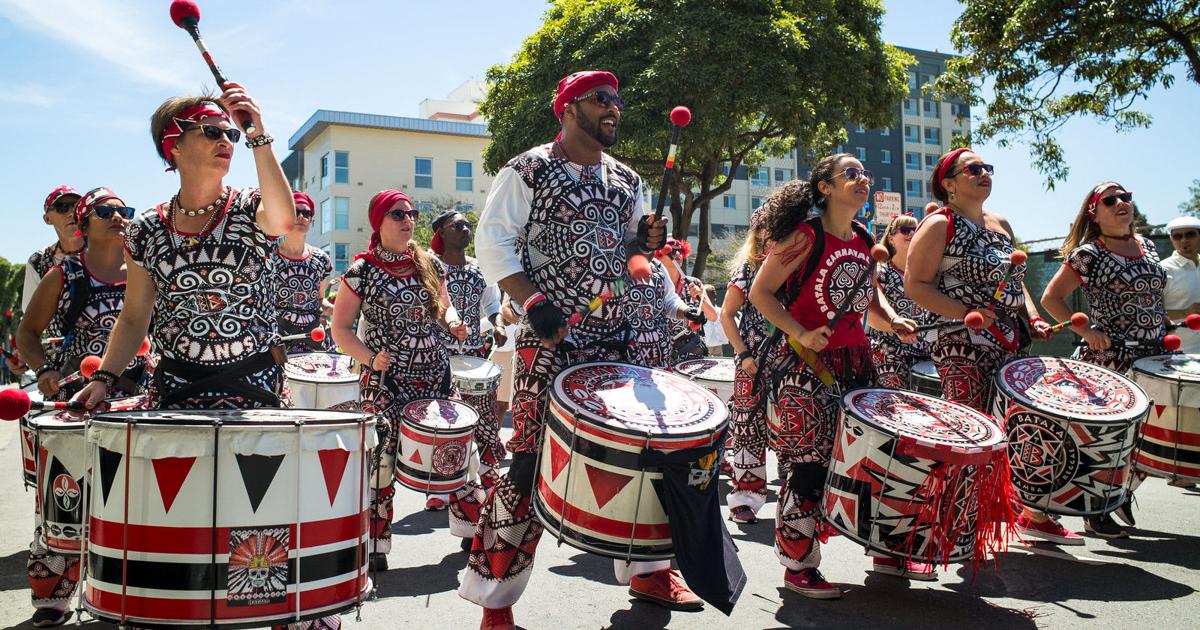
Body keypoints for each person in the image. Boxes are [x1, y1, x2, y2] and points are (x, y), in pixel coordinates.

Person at [460, 71, 689, 630]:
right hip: (553, 340)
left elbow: (635, 249)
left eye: (617, 100)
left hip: (624, 338)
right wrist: (533, 303)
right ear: (567, 109)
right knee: (529, 461)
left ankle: (648, 569)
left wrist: (647, 241)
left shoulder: (628, 178)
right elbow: (494, 243)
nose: (613, 108)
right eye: (600, 100)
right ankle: (497, 598)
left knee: (645, 455)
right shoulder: (528, 168)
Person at [748, 155, 921, 597]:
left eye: (864, 173)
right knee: (810, 465)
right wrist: (801, 330)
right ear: (824, 187)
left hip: (857, 362)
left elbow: (870, 298)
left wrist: (892, 320)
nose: (862, 179)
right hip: (805, 366)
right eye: (851, 174)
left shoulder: (864, 238)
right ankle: (797, 564)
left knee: (873, 459)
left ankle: (884, 549)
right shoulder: (805, 237)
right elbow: (760, 294)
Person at [905, 148, 1078, 546]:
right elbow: (916, 287)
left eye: (988, 168)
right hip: (961, 343)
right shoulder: (937, 224)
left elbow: (1016, 283)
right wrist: (969, 310)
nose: (984, 174)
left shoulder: (1000, 223)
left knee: (1024, 429)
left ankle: (1031, 513)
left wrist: (1032, 316)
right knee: (972, 435)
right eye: (974, 169)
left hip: (1011, 340)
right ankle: (957, 526)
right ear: (948, 184)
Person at [16, 188, 141, 627]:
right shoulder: (64, 274)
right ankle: (53, 599)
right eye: (106, 211)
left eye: (125, 210)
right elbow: (26, 333)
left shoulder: (146, 273)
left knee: (132, 502)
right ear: (85, 223)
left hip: (136, 402)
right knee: (64, 501)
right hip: (75, 403)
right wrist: (46, 371)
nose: (119, 217)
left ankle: (128, 595)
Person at [330, 190, 474, 569]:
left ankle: (468, 528)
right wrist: (369, 359)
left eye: (411, 213)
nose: (408, 219)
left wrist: (453, 322)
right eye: (397, 214)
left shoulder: (429, 262)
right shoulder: (361, 271)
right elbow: (341, 329)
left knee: (462, 450)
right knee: (381, 460)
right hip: (386, 379)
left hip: (435, 373)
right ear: (379, 222)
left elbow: (443, 305)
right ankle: (375, 545)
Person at [1042, 182, 1171, 533]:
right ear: (1094, 214)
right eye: (1110, 200)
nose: (1121, 203)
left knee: (1150, 436)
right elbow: (1051, 299)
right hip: (1111, 359)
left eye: (1126, 197)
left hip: (1155, 357)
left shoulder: (1146, 246)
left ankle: (1121, 493)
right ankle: (1094, 510)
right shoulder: (1089, 253)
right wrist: (1085, 332)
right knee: (1108, 438)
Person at [430, 209, 506, 494]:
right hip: (439, 357)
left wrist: (497, 325)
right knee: (445, 423)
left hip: (474, 356)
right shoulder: (431, 267)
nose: (465, 229)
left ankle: (489, 480)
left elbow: (492, 305)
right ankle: (440, 490)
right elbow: (432, 306)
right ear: (442, 233)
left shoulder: (479, 269)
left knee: (484, 420)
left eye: (467, 225)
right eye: (457, 225)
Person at [720, 210, 772, 524]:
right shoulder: (748, 269)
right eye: (767, 232)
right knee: (749, 427)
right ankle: (745, 497)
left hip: (789, 359)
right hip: (752, 360)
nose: (772, 237)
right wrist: (742, 354)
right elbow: (727, 315)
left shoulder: (794, 266)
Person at [11, 186, 86, 376]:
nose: (71, 212)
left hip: (115, 362)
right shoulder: (38, 262)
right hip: (62, 369)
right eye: (62, 207)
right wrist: (26, 356)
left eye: (77, 206)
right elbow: (30, 321)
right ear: (47, 218)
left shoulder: (106, 249)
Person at [867, 213, 929, 389]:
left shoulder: (927, 273)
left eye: (915, 230)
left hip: (926, 350)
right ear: (891, 238)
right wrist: (897, 329)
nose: (911, 233)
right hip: (890, 350)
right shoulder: (881, 271)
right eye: (905, 230)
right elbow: (872, 315)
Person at [275, 191, 333, 353]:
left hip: (313, 339)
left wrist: (339, 310)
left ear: (311, 221)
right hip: (278, 341)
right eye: (295, 212)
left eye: (306, 213)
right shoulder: (267, 257)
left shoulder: (322, 259)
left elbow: (320, 300)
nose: (301, 217)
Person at [625, 255, 704, 368]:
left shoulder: (657, 266)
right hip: (626, 360)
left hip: (661, 358)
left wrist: (686, 311)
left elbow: (669, 300)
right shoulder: (615, 265)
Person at [656, 238, 717, 362]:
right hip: (660, 353)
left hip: (692, 352)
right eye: (672, 251)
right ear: (659, 257)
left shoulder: (694, 283)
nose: (678, 254)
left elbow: (713, 316)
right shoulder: (653, 284)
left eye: (680, 251)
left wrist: (701, 297)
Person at [1160, 216, 1200, 354]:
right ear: (1171, 239)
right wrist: (1186, 313)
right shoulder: (1162, 270)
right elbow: (1152, 315)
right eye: (1177, 236)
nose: (1184, 240)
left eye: (1190, 234)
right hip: (1177, 354)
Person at [702, 284, 728, 355]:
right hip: (706, 345)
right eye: (709, 295)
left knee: (719, 362)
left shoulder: (720, 311)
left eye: (714, 294)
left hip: (718, 343)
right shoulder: (701, 312)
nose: (714, 296)